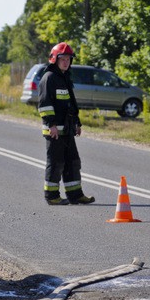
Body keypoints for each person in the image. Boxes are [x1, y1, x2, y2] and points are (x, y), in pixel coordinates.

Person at [38, 42, 95, 206]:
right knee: (56, 163)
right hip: (55, 130)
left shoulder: (65, 78)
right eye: (62, 59)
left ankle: (75, 195)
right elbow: (45, 104)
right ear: (55, 59)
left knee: (72, 162)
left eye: (68, 59)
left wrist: (77, 122)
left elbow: (70, 104)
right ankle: (52, 196)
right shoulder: (49, 78)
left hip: (67, 129)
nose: (66, 62)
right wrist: (51, 125)